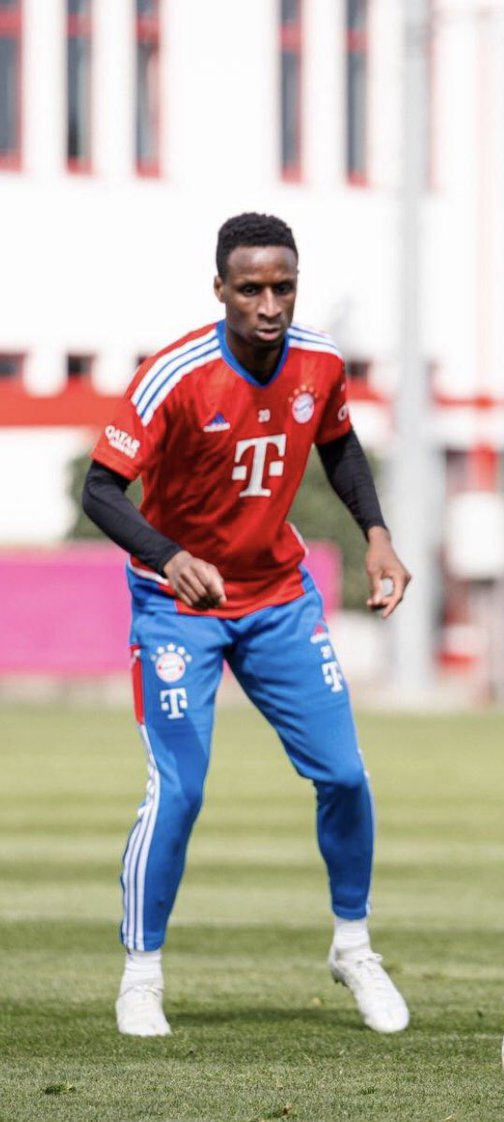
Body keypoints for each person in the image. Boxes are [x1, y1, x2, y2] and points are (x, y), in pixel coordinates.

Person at [83, 212, 412, 1038]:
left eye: (283, 287)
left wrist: (376, 535)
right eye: (251, 289)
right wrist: (167, 557)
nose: (269, 305)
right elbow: (99, 489)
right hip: (177, 608)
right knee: (179, 790)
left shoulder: (320, 361)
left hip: (277, 599)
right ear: (220, 289)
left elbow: (339, 446)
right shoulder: (175, 376)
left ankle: (353, 947)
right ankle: (141, 975)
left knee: (345, 775)